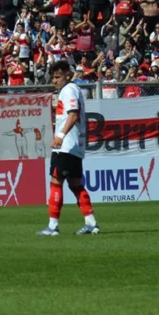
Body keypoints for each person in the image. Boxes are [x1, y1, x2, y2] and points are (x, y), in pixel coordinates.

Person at [39, 61, 100, 236]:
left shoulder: (69, 90)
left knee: (56, 183)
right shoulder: (72, 90)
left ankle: (52, 226)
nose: (54, 81)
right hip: (76, 147)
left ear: (67, 75)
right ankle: (91, 223)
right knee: (76, 185)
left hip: (66, 146)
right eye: (53, 77)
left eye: (57, 77)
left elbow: (73, 115)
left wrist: (60, 135)